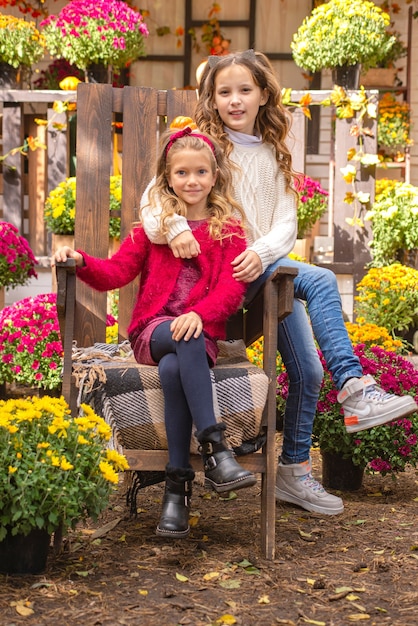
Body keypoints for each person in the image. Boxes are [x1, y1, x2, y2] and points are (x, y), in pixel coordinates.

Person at [140, 50, 418, 516]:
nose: (234, 100)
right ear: (211, 97)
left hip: (262, 275)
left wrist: (261, 252)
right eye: (224, 92)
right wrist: (177, 229)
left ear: (263, 94)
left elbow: (286, 226)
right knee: (323, 278)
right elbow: (151, 206)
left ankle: (293, 472)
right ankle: (352, 386)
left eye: (244, 90)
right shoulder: (200, 145)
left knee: (308, 372)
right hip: (215, 285)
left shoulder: (272, 152)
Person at [51, 127, 257, 540]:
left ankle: (177, 487)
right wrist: (80, 258)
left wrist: (199, 314)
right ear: (167, 178)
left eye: (201, 172)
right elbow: (116, 273)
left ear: (215, 176)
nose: (192, 181)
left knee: (173, 370)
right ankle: (216, 449)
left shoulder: (229, 232)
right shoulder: (154, 230)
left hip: (199, 340)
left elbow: (232, 290)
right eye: (182, 173)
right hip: (152, 332)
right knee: (180, 341)